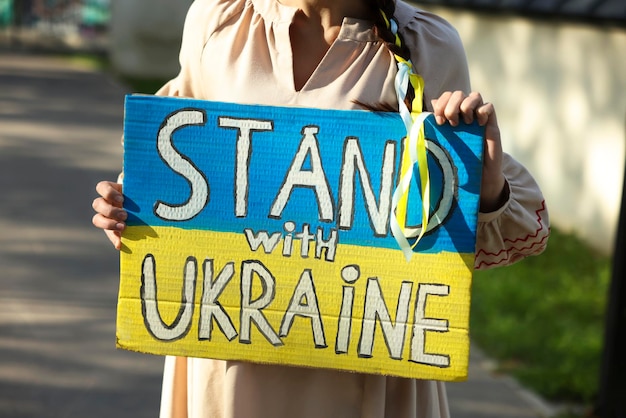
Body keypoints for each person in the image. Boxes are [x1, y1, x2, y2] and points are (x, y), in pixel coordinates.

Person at [92, 0, 550, 417]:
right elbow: (176, 159)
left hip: (367, 372)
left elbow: (452, 231)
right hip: (226, 358)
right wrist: (132, 212)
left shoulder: (428, 44)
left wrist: (485, 182)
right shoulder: (219, 21)